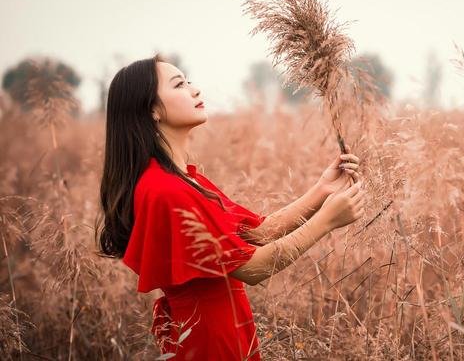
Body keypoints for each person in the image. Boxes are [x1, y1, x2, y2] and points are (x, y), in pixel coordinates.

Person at [95, 53, 366, 360]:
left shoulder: (184, 179)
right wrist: (326, 221)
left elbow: (256, 233)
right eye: (179, 85)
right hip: (208, 341)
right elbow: (253, 268)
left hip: (225, 331)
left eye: (189, 81)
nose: (195, 90)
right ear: (153, 109)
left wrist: (321, 191)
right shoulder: (165, 190)